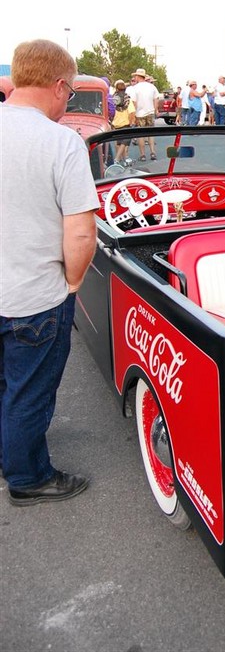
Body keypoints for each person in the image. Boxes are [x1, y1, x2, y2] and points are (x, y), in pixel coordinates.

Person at [0, 39, 99, 505]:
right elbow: (81, 232)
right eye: (71, 91)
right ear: (59, 86)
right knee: (28, 394)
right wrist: (73, 283)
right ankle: (28, 478)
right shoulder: (61, 141)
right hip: (34, 296)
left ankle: (8, 454)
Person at [130, 68, 159, 161]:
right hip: (150, 112)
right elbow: (156, 99)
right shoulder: (151, 87)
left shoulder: (135, 88)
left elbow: (134, 102)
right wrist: (155, 109)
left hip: (139, 113)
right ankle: (153, 152)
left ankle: (143, 155)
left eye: (136, 76)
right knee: (151, 133)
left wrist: (133, 115)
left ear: (138, 76)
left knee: (141, 135)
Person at [112, 79, 133, 163]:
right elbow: (132, 112)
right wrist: (131, 122)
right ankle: (117, 159)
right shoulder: (127, 99)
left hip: (116, 123)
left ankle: (124, 159)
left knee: (118, 142)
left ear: (116, 88)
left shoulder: (113, 99)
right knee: (125, 142)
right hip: (125, 123)